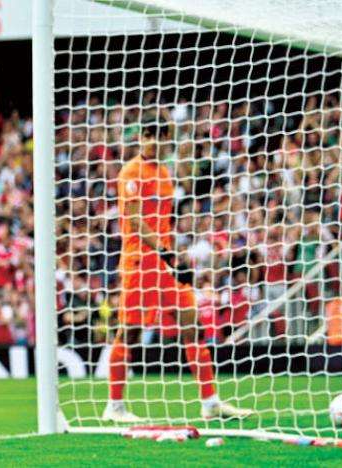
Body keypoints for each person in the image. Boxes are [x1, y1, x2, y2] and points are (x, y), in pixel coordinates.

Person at [103, 121, 253, 423]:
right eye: (154, 138)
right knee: (129, 333)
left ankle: (210, 402)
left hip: (165, 263)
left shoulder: (164, 174)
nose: (159, 145)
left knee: (193, 325)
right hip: (139, 263)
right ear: (143, 137)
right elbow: (134, 221)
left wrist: (174, 256)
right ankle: (114, 406)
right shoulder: (131, 172)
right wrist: (166, 253)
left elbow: (164, 223)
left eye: (164, 139)